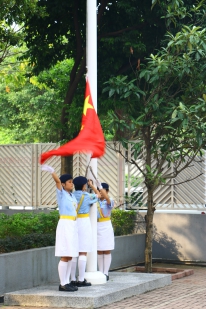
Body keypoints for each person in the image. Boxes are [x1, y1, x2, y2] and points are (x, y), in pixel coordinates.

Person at [41, 164, 78, 292]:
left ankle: (67, 281)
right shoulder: (61, 193)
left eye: (72, 182)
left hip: (73, 225)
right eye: (69, 182)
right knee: (65, 254)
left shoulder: (72, 196)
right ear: (63, 184)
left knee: (70, 255)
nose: (72, 184)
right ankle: (62, 283)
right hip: (65, 224)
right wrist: (53, 172)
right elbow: (57, 181)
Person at [70, 176, 101, 287]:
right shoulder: (87, 196)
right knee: (83, 251)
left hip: (73, 222)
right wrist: (92, 186)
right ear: (84, 186)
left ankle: (72, 279)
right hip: (84, 222)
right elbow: (99, 195)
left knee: (73, 252)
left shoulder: (71, 195)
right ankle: (81, 279)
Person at [96, 180, 115, 281]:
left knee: (106, 249)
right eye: (99, 191)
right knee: (99, 250)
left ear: (107, 191)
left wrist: (100, 188)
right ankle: (100, 272)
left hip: (106, 225)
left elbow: (107, 199)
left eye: (102, 191)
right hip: (97, 225)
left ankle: (106, 273)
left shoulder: (109, 200)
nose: (100, 193)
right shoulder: (96, 200)